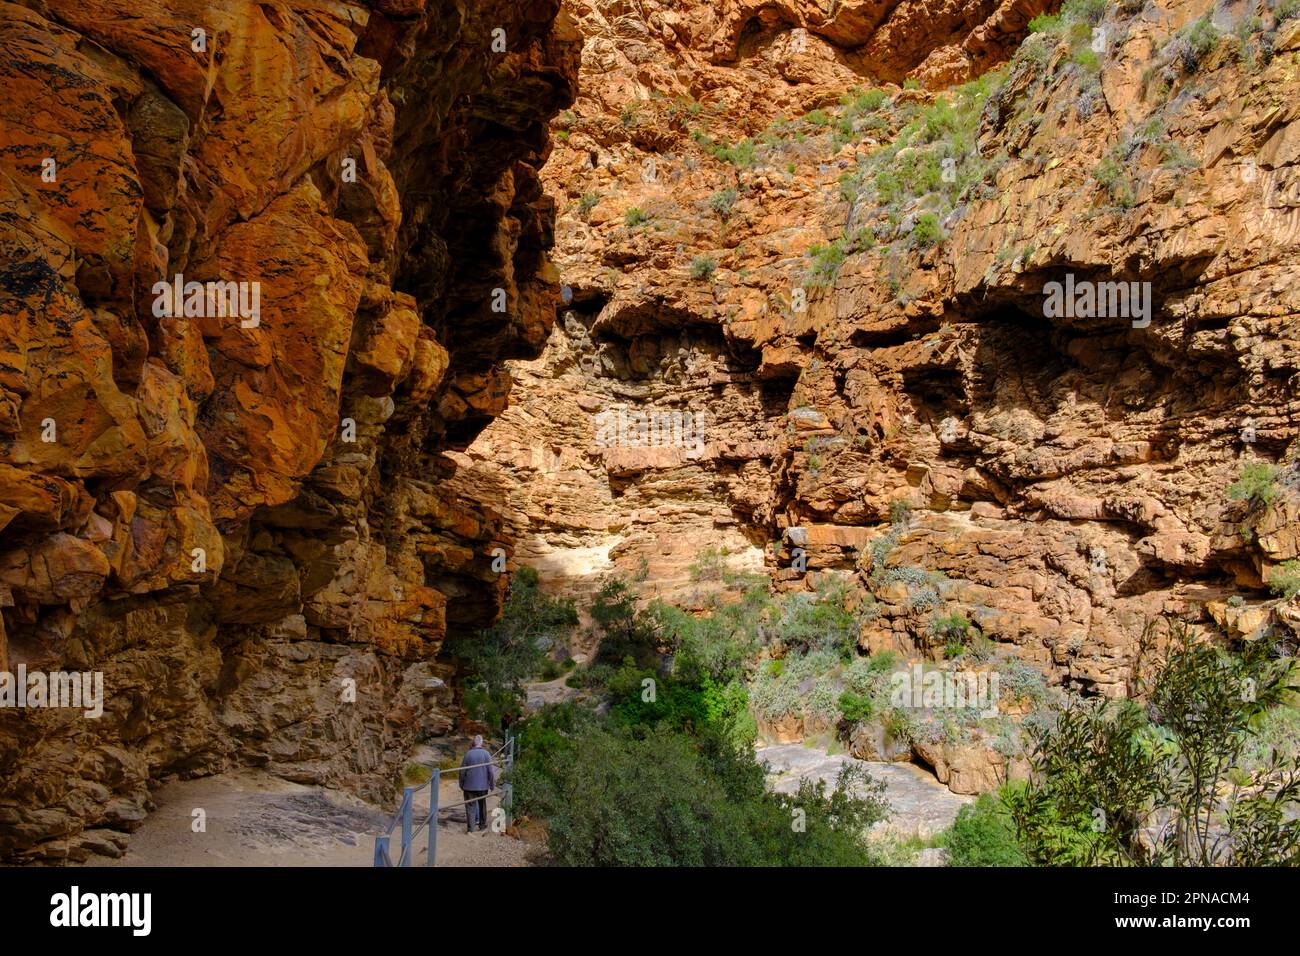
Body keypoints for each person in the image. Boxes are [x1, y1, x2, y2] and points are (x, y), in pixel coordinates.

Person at [458, 734, 497, 833]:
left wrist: (461, 783)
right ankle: (482, 826)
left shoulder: (468, 754)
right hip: (483, 786)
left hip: (469, 786)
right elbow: (490, 771)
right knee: (482, 805)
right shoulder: (486, 754)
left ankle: (471, 828)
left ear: (473, 743)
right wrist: (492, 784)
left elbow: (462, 771)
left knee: (470, 807)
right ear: (481, 743)